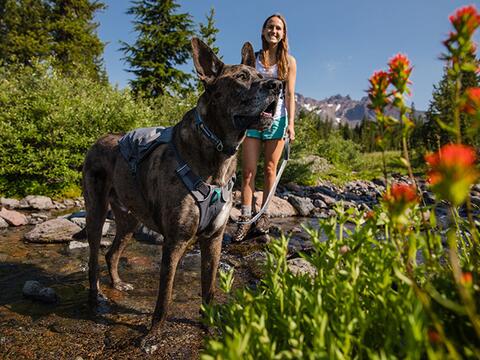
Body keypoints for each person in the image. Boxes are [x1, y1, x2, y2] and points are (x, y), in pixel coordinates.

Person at [233, 13, 297, 242]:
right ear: (263, 31)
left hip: (277, 120)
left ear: (283, 34)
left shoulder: (289, 62)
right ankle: (245, 217)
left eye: (279, 28)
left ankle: (264, 216)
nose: (274, 31)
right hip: (252, 120)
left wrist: (290, 124)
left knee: (270, 169)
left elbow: (290, 94)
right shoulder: (254, 59)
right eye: (270, 27)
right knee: (248, 171)